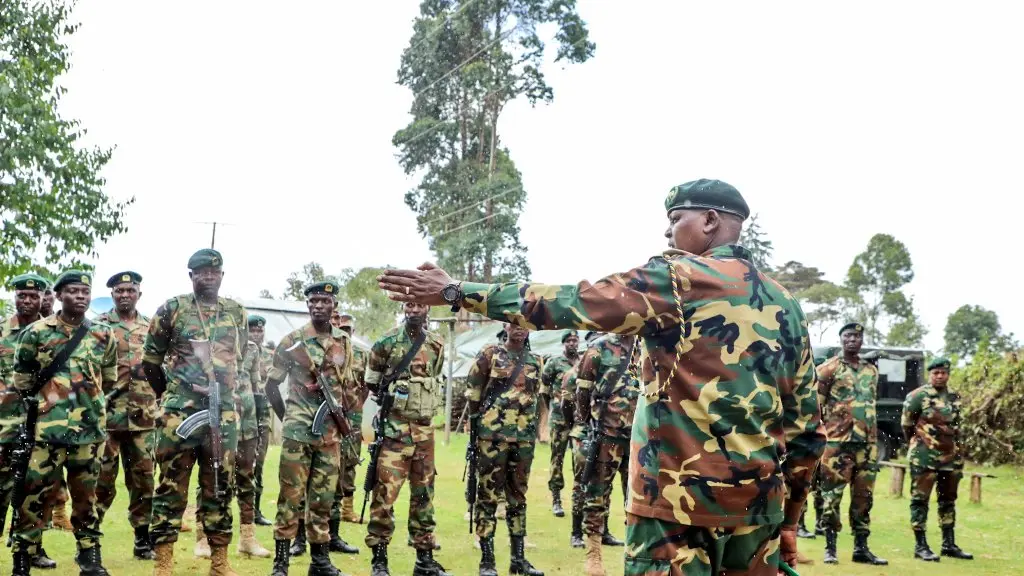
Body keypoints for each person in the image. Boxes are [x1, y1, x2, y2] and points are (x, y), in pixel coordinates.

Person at [377, 178, 827, 576]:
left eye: (675, 219)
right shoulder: (785, 303)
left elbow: (573, 302)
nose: (667, 232)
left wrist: (457, 292)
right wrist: (789, 520)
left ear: (709, 221)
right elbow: (807, 430)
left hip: (675, 511)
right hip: (758, 515)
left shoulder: (678, 278)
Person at [143, 248, 247, 576]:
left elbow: (240, 357)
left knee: (220, 485)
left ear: (222, 275)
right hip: (179, 414)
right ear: (191, 276)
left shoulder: (236, 312)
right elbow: (150, 362)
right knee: (171, 486)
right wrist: (172, 396)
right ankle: (163, 562)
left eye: (214, 272)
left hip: (223, 412)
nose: (208, 277)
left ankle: (219, 562)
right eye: (202, 272)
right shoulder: (172, 309)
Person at [10, 270, 117, 576]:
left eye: (85, 291)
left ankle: (90, 558)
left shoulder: (103, 334)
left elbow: (108, 378)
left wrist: (87, 403)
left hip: (88, 433)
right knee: (33, 497)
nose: (80, 296)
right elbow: (22, 380)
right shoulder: (37, 332)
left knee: (86, 499)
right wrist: (48, 405)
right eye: (72, 291)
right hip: (46, 433)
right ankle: (23, 557)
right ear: (58, 295)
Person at [264, 281, 354, 576]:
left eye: (324, 301)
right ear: (307, 305)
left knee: (323, 498)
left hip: (330, 435)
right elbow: (271, 386)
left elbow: (345, 384)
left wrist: (343, 418)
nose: (318, 306)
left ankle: (320, 562)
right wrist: (289, 417)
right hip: (298, 433)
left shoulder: (344, 341)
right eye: (313, 301)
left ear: (333, 305)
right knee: (290, 497)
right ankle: (281, 564)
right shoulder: (292, 341)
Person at [364, 302, 450, 576]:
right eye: (409, 304)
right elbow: (372, 382)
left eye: (420, 305)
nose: (414, 310)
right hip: (394, 434)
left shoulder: (436, 343)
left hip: (424, 435)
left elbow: (435, 379)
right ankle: (379, 562)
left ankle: (424, 561)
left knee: (424, 496)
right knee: (384, 496)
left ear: (428, 308)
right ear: (403, 306)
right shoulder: (386, 342)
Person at [465, 323, 545, 576]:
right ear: (504, 326)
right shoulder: (490, 354)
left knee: (518, 498)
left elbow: (536, 397)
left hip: (523, 439)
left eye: (524, 325)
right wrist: (477, 427)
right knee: (488, 497)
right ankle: (487, 561)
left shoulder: (536, 360)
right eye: (513, 324)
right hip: (492, 438)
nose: (519, 329)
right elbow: (473, 393)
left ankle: (518, 559)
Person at [94, 271, 158, 560]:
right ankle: (90, 542)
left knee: (144, 481)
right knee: (101, 481)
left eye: (130, 290)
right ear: (112, 294)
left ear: (139, 294)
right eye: (119, 291)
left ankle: (142, 540)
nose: (124, 295)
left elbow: (162, 366)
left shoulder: (151, 327)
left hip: (143, 418)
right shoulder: (98, 326)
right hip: (107, 418)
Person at [816, 323, 888, 565]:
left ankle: (861, 548)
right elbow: (816, 406)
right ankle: (830, 548)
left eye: (857, 336)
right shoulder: (828, 369)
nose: (852, 340)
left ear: (862, 340)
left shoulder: (871, 370)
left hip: (867, 445)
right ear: (841, 339)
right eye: (848, 336)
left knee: (864, 498)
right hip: (838, 444)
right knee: (831, 497)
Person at [0, 274, 58, 570]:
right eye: (22, 295)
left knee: (36, 490)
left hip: (41, 423)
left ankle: (31, 549)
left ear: (43, 298)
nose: (27, 300)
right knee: (1, 489)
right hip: (4, 424)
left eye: (33, 296)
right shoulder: (2, 331)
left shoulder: (51, 333)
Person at [572, 333, 637, 575]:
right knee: (597, 497)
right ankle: (594, 556)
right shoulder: (598, 348)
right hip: (606, 435)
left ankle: (636, 553)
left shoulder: (649, 346)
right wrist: (590, 423)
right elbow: (582, 392)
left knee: (639, 499)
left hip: (639, 438)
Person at [901, 357, 973, 562]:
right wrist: (918, 443)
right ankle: (920, 545)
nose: (940, 376)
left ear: (948, 374)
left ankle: (948, 544)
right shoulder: (917, 396)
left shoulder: (954, 397)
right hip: (924, 458)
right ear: (929, 374)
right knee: (920, 500)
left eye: (943, 372)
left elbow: (956, 426)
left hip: (950, 457)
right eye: (935, 373)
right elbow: (907, 425)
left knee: (948, 501)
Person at [230, 314, 272, 558]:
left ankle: (247, 538)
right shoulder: (217, 344)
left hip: (248, 423)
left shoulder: (254, 350)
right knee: (214, 479)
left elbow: (256, 386)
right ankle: (204, 537)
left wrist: (259, 421)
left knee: (247, 477)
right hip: (224, 422)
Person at [539, 331, 580, 518]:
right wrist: (553, 407)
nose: (572, 343)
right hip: (559, 419)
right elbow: (544, 389)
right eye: (568, 341)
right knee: (558, 457)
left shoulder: (583, 361)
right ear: (563, 343)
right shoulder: (554, 362)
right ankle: (556, 498)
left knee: (579, 459)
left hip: (579, 419)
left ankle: (578, 499)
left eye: (575, 340)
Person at [335, 313, 370, 526]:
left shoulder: (361, 354)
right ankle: (329, 506)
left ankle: (347, 509)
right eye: (342, 329)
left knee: (351, 458)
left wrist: (356, 405)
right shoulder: (330, 351)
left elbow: (366, 385)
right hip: (330, 413)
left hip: (353, 413)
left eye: (348, 329)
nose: (344, 333)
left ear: (353, 331)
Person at [252, 323, 274, 527]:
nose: (257, 334)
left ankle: (255, 511)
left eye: (260, 331)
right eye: (253, 330)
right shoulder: (238, 352)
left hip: (263, 416)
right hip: (242, 414)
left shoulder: (269, 356)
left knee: (259, 462)